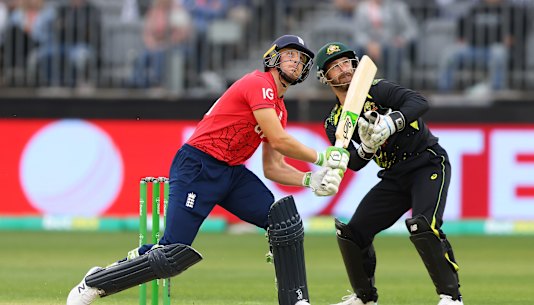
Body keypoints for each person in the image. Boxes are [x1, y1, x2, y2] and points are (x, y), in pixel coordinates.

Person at [66, 35, 350, 305]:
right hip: (198, 166)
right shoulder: (258, 83)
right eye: (289, 55)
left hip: (231, 173)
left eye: (301, 60)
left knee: (284, 222)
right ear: (273, 59)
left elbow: (273, 167)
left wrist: (309, 179)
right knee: (171, 255)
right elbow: (278, 139)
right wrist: (322, 157)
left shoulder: (280, 110)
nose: (295, 62)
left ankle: (296, 299)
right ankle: (96, 282)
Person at [314, 42, 463, 305]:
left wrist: (389, 122)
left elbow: (419, 102)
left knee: (422, 225)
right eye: (334, 67)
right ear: (324, 77)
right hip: (394, 176)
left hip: (426, 162)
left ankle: (451, 297)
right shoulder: (334, 121)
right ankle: (364, 297)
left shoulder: (378, 89)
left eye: (346, 62)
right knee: (352, 232)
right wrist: (369, 147)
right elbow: (355, 163)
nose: (343, 69)